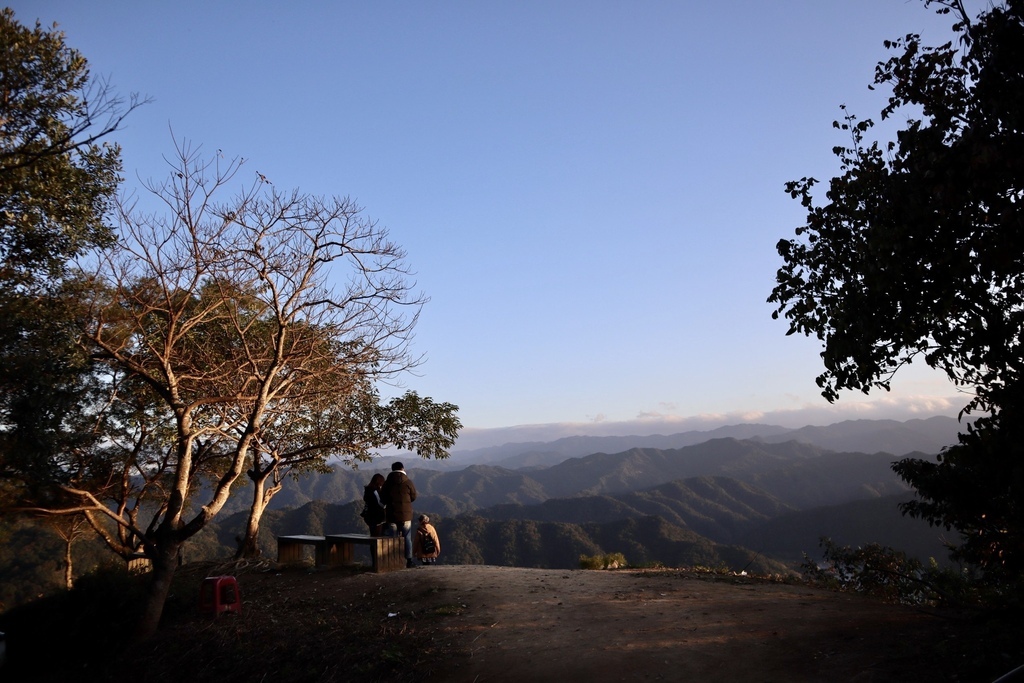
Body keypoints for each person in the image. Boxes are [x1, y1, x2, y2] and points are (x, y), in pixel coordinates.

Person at [380, 461, 418, 568]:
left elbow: (383, 498)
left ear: (392, 470)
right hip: (406, 515)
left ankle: (393, 561)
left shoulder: (387, 483)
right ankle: (409, 561)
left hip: (391, 515)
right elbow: (414, 497)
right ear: (403, 468)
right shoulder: (408, 482)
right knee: (407, 538)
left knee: (393, 538)